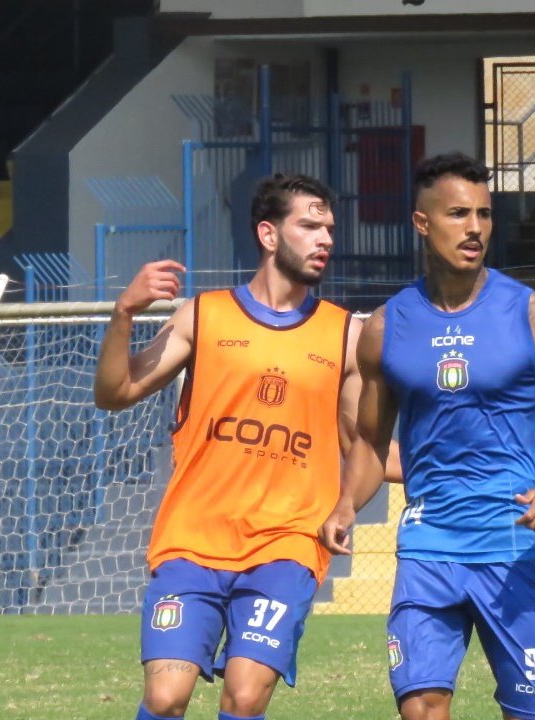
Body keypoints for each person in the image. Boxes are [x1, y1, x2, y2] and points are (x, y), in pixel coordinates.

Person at [319, 153, 535, 720]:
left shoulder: (534, 315)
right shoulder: (387, 328)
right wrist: (344, 506)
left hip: (511, 544)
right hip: (428, 546)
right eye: (458, 213)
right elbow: (371, 445)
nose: (475, 227)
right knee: (421, 708)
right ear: (422, 223)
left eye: (484, 213)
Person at [95, 173, 371, 720]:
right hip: (192, 542)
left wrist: (446, 470)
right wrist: (123, 314)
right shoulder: (204, 315)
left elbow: (361, 443)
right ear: (269, 235)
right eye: (310, 226)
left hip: (287, 544)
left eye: (330, 229)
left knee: (244, 696)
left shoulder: (346, 335)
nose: (325, 240)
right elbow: (114, 392)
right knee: (165, 697)